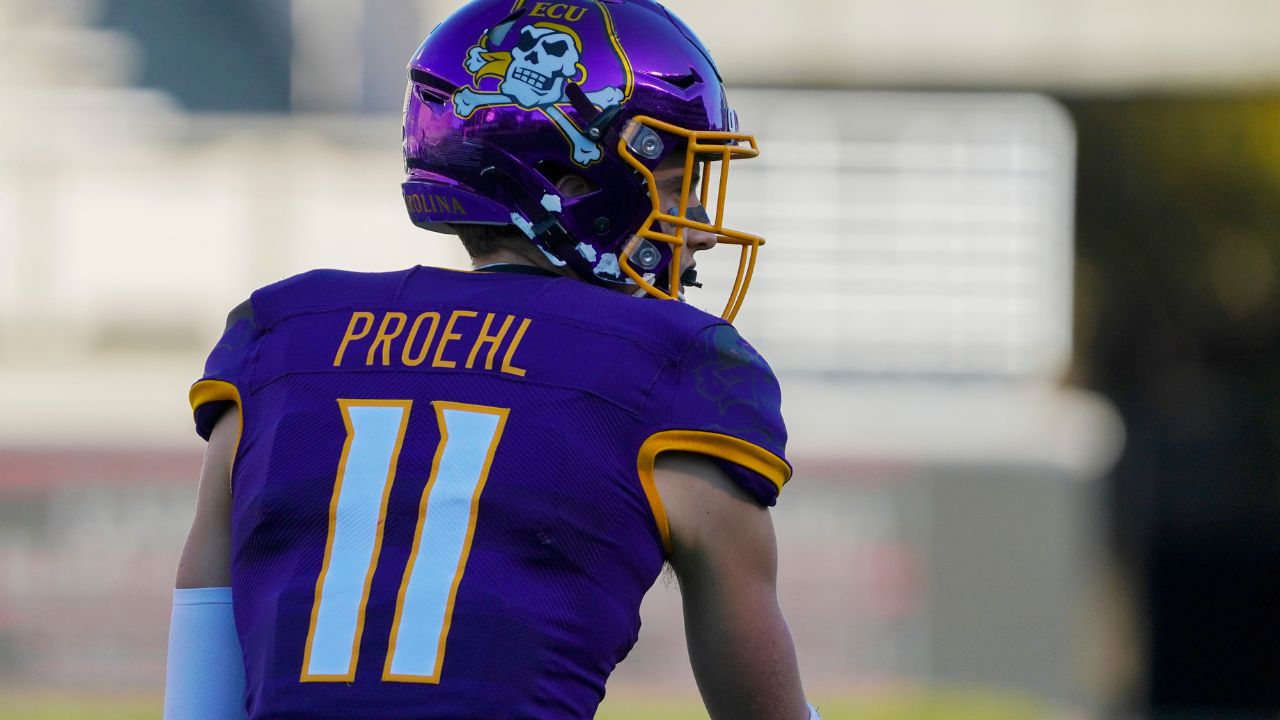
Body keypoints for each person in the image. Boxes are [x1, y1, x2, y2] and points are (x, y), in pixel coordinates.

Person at [164, 1, 815, 718]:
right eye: (675, 185)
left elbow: (198, 704)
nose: (702, 230)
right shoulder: (674, 368)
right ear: (573, 183)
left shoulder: (279, 339)